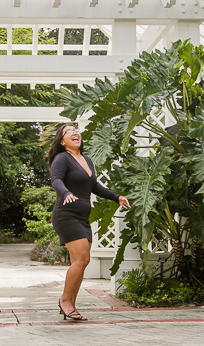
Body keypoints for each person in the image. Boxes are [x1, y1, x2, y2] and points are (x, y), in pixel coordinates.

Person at [47, 123, 130, 321]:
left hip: (82, 217)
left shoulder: (87, 160)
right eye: (69, 132)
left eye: (76, 130)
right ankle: (65, 301)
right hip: (66, 215)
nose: (75, 133)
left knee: (81, 261)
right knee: (82, 259)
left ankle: (71, 304)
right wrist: (65, 192)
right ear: (62, 141)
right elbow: (56, 180)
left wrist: (116, 197)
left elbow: (95, 186)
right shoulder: (62, 158)